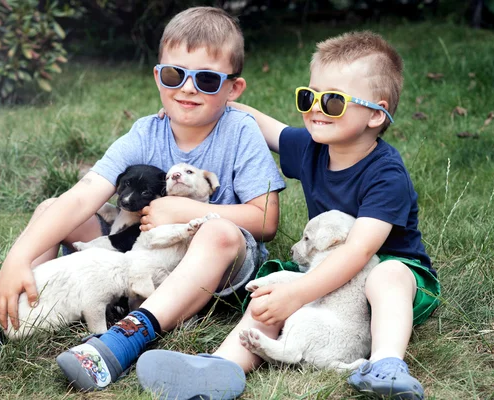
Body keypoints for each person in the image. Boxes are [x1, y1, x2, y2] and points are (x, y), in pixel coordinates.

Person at [0, 6, 285, 396]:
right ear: (158, 76)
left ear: (233, 89)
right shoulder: (146, 131)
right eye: (174, 75)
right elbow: (85, 194)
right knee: (52, 210)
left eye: (205, 79)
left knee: (217, 233)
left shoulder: (239, 131)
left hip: (213, 266)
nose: (187, 88)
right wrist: (16, 257)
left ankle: (123, 340)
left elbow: (265, 218)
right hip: (136, 251)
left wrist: (192, 211)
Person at [135, 31, 441, 400]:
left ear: (376, 114)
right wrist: (201, 101)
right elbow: (267, 126)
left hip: (390, 277)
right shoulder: (312, 148)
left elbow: (359, 252)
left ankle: (386, 364)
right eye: (308, 96)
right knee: (272, 291)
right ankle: (221, 366)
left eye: (332, 101)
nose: (315, 108)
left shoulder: (386, 174)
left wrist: (299, 293)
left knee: (386, 275)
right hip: (324, 272)